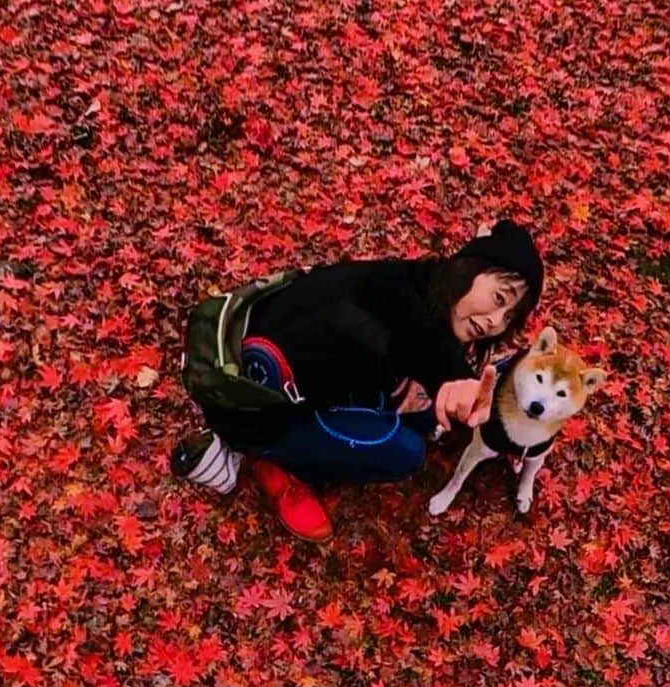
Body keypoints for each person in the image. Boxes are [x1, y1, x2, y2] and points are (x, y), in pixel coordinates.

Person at [170, 220, 544, 541]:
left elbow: (417, 338)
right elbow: (402, 333)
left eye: (509, 316)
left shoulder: (421, 283)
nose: (495, 321)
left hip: (319, 381)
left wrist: (424, 382)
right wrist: (444, 380)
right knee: (403, 452)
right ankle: (275, 462)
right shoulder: (381, 299)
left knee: (426, 413)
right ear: (469, 267)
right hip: (260, 414)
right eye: (498, 297)